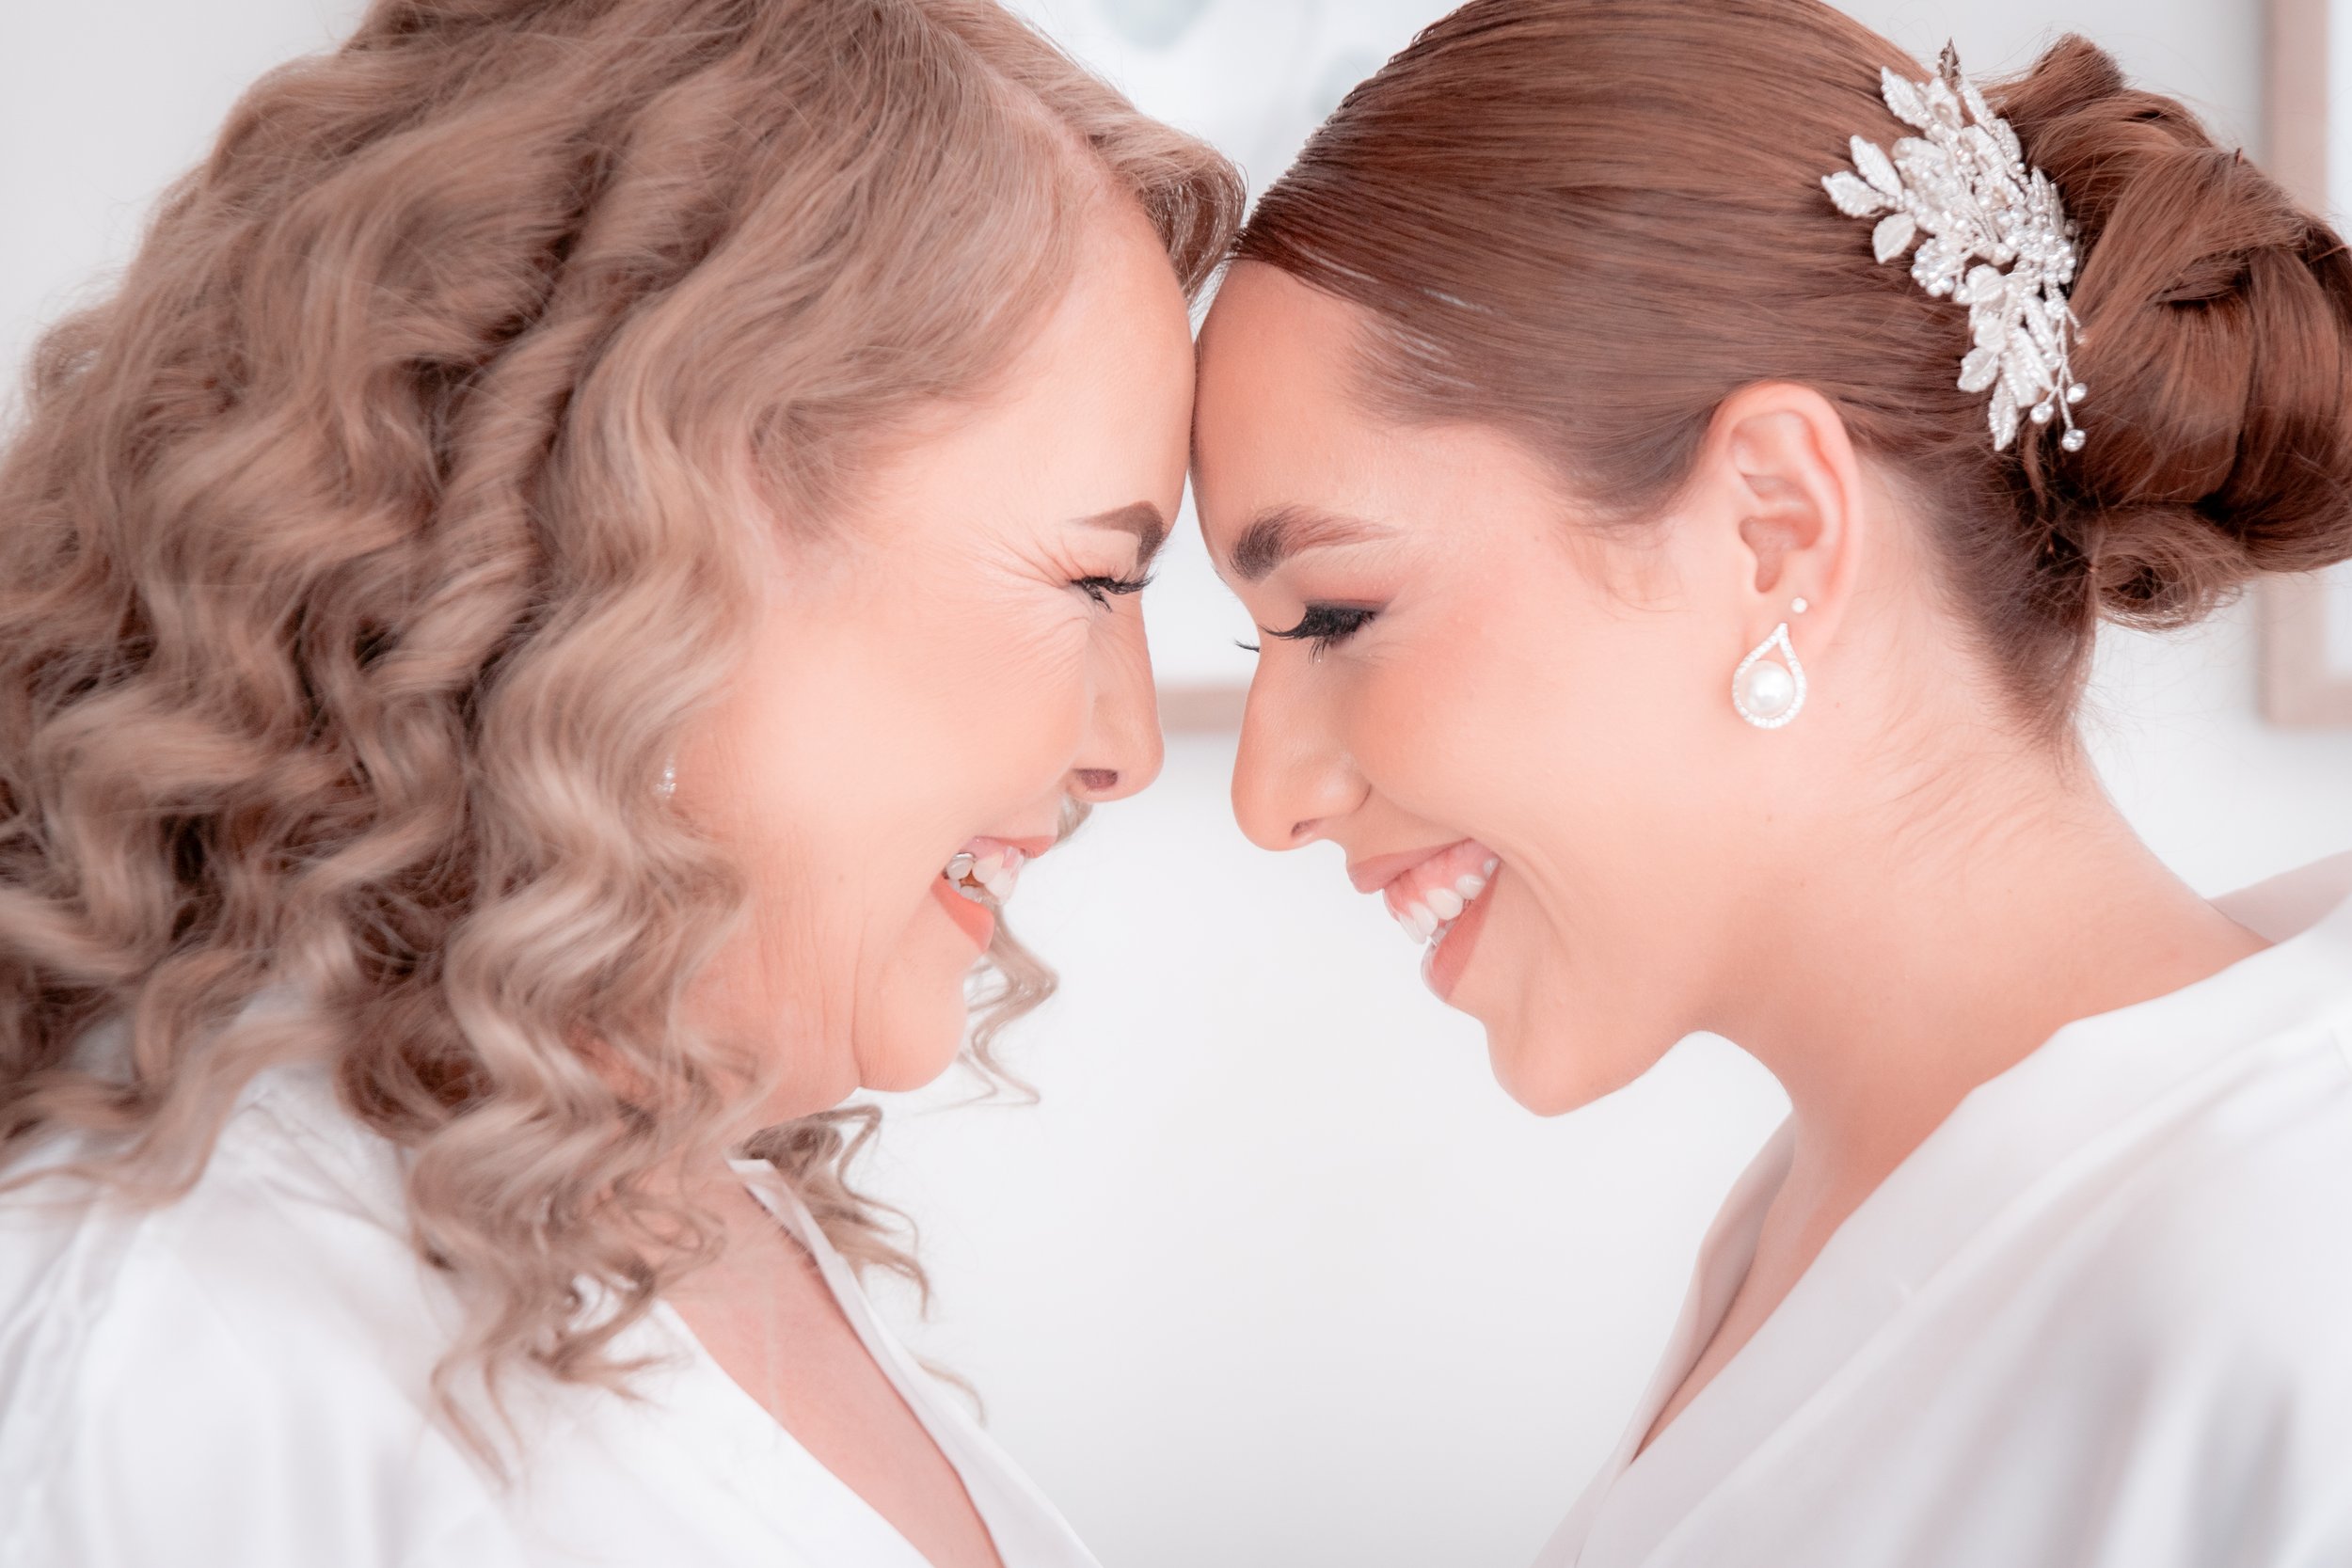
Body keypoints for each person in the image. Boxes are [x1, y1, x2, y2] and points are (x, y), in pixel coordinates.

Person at [0, 2, 1241, 1564]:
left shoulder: (683, 1188)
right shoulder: (184, 1342)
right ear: (658, 530)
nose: (1121, 745)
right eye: (1090, 581)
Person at [1189, 1, 2352, 1562]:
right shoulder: (1818, 1214)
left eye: (1336, 616)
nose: (1269, 798)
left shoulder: (2276, 1283)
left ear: (1773, 531)